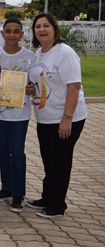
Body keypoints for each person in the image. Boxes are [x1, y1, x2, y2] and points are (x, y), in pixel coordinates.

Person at [24, 13, 87, 218]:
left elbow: (74, 87)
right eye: (38, 26)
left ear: (55, 28)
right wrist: (32, 91)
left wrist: (67, 119)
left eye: (46, 26)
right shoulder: (39, 53)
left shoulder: (64, 53)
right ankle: (48, 196)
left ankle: (57, 205)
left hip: (66, 118)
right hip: (45, 117)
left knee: (60, 161)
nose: (42, 29)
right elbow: (41, 83)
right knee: (49, 160)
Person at [0, 18, 34, 212]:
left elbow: (36, 84)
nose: (12, 35)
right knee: (3, 153)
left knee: (17, 153)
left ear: (22, 35)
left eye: (16, 31)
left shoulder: (30, 56)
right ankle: (6, 187)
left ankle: (18, 193)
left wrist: (32, 89)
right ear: (2, 34)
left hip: (21, 114)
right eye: (8, 31)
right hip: (0, 113)